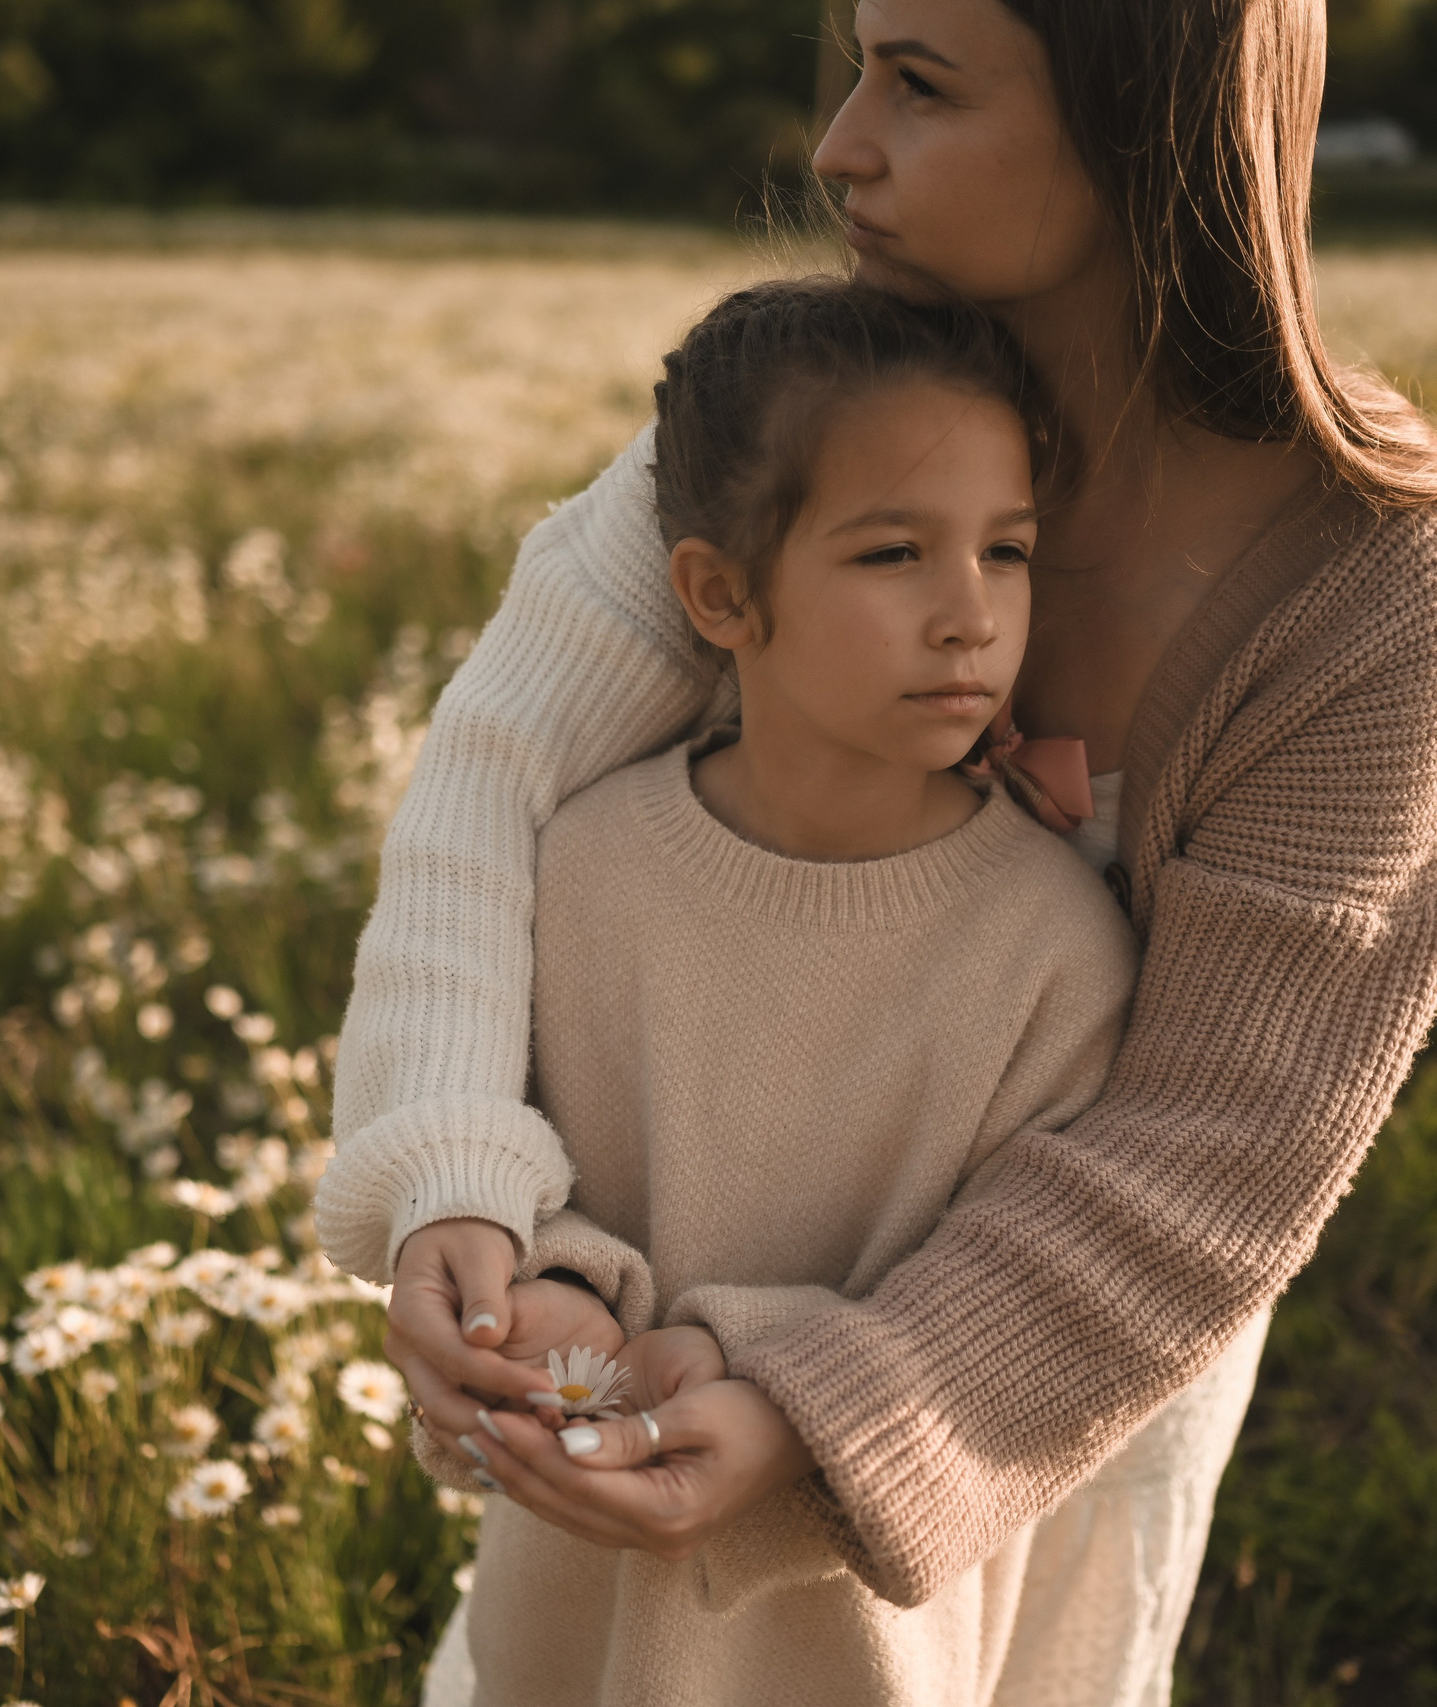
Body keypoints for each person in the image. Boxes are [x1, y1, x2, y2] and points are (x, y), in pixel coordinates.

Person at [313, 0, 1437, 1700]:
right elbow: (495, 774)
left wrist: (825, 1412)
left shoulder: (1379, 589)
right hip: (664, 1254)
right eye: (858, 63)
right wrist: (451, 1174)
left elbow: (1218, 1144)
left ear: (1146, 127)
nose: (839, 146)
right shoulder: (818, 418)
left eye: (924, 84)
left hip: (1045, 1362)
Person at [408, 273, 1143, 1704]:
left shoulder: (1057, 953)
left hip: (851, 1650)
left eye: (1007, 551)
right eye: (893, 556)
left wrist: (741, 1352)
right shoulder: (587, 872)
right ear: (721, 593)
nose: (970, 617)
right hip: (568, 1624)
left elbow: (1009, 1314)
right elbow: (530, 1161)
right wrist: (550, 1286)